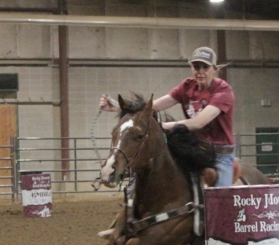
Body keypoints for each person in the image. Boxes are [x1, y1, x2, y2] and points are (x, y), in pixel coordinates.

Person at [99, 46, 237, 186]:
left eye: (205, 67)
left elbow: (199, 122)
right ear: (191, 68)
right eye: (196, 66)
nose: (200, 71)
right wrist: (118, 107)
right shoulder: (187, 86)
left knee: (221, 196)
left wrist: (163, 126)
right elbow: (152, 107)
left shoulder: (223, 91)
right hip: (194, 148)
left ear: (214, 69)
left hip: (220, 154)